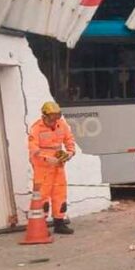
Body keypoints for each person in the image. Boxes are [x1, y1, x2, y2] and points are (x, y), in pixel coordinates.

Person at [28, 101, 77, 235]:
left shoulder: (62, 125)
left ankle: (59, 223)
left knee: (59, 193)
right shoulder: (36, 128)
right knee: (42, 195)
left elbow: (69, 140)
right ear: (44, 116)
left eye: (57, 117)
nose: (54, 120)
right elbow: (33, 148)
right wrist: (46, 158)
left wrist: (69, 153)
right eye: (52, 117)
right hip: (42, 166)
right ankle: (40, 225)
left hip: (58, 164)